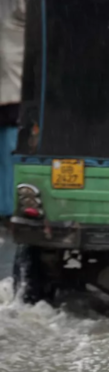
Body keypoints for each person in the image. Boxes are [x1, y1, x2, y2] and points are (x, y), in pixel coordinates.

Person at [0, 0, 25, 225]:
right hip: (12, 91)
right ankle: (7, 208)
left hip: (14, 92)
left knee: (10, 150)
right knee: (9, 151)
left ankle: (8, 207)